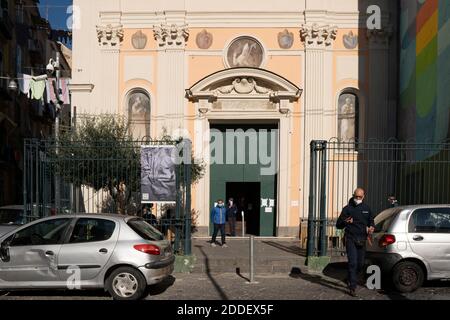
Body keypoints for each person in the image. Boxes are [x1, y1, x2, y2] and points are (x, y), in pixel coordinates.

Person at [336, 188, 375, 297]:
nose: (358, 199)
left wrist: (372, 227)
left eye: (360, 197)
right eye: (356, 197)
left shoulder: (367, 208)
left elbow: (371, 221)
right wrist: (345, 221)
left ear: (363, 196)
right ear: (353, 195)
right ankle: (352, 287)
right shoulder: (347, 209)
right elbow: (338, 225)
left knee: (360, 264)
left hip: (362, 239)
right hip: (350, 238)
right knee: (352, 263)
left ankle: (349, 277)